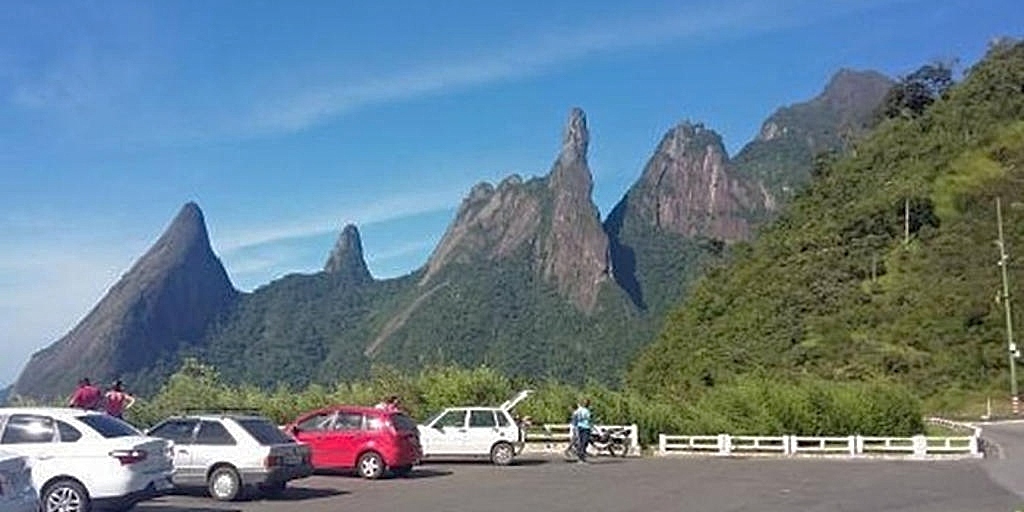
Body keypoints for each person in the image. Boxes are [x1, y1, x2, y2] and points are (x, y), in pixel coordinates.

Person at [571, 399, 592, 463]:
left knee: (584, 442)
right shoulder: (581, 410)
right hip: (583, 427)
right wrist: (574, 426)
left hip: (585, 427)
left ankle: (582, 456)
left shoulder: (585, 410)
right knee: (583, 442)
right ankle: (581, 457)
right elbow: (575, 417)